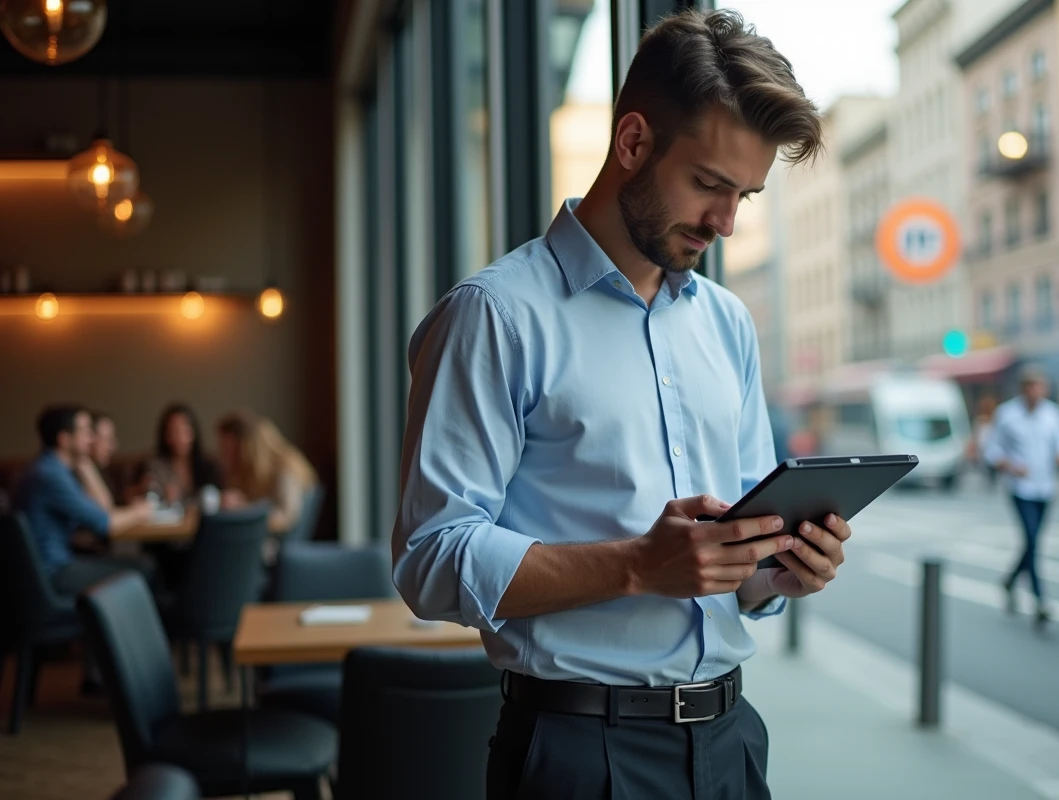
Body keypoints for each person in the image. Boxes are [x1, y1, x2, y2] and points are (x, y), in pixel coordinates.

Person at [393, 10, 844, 799]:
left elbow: (727, 559)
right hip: (577, 754)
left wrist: (776, 571)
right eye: (708, 184)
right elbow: (430, 560)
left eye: (744, 194)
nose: (726, 223)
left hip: (733, 742)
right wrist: (637, 565)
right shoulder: (495, 315)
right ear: (632, 142)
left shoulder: (727, 323)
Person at [13, 405, 154, 597]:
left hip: (50, 568)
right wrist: (141, 511)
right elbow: (105, 522)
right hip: (53, 573)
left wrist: (83, 463)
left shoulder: (52, 469)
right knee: (144, 568)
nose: (91, 438)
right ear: (64, 439)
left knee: (142, 564)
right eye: (85, 432)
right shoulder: (51, 474)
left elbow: (102, 512)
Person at [985, 367, 1059, 626]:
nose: (1037, 392)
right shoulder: (1007, 415)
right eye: (1032, 387)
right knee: (1033, 541)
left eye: (1041, 387)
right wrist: (1010, 466)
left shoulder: (1052, 414)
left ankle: (1010, 581)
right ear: (1023, 390)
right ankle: (1039, 600)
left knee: (1033, 541)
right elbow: (992, 450)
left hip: (1045, 488)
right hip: (1020, 489)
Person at [216, 409, 317, 533]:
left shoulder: (286, 469)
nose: (223, 454)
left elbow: (285, 519)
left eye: (228, 448)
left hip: (278, 545)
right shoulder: (254, 475)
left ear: (246, 447)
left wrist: (244, 510)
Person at [132, 403, 222, 505]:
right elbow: (137, 497)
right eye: (173, 431)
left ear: (193, 432)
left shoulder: (208, 466)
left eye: (184, 430)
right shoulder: (153, 466)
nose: (179, 437)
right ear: (165, 436)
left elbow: (218, 497)